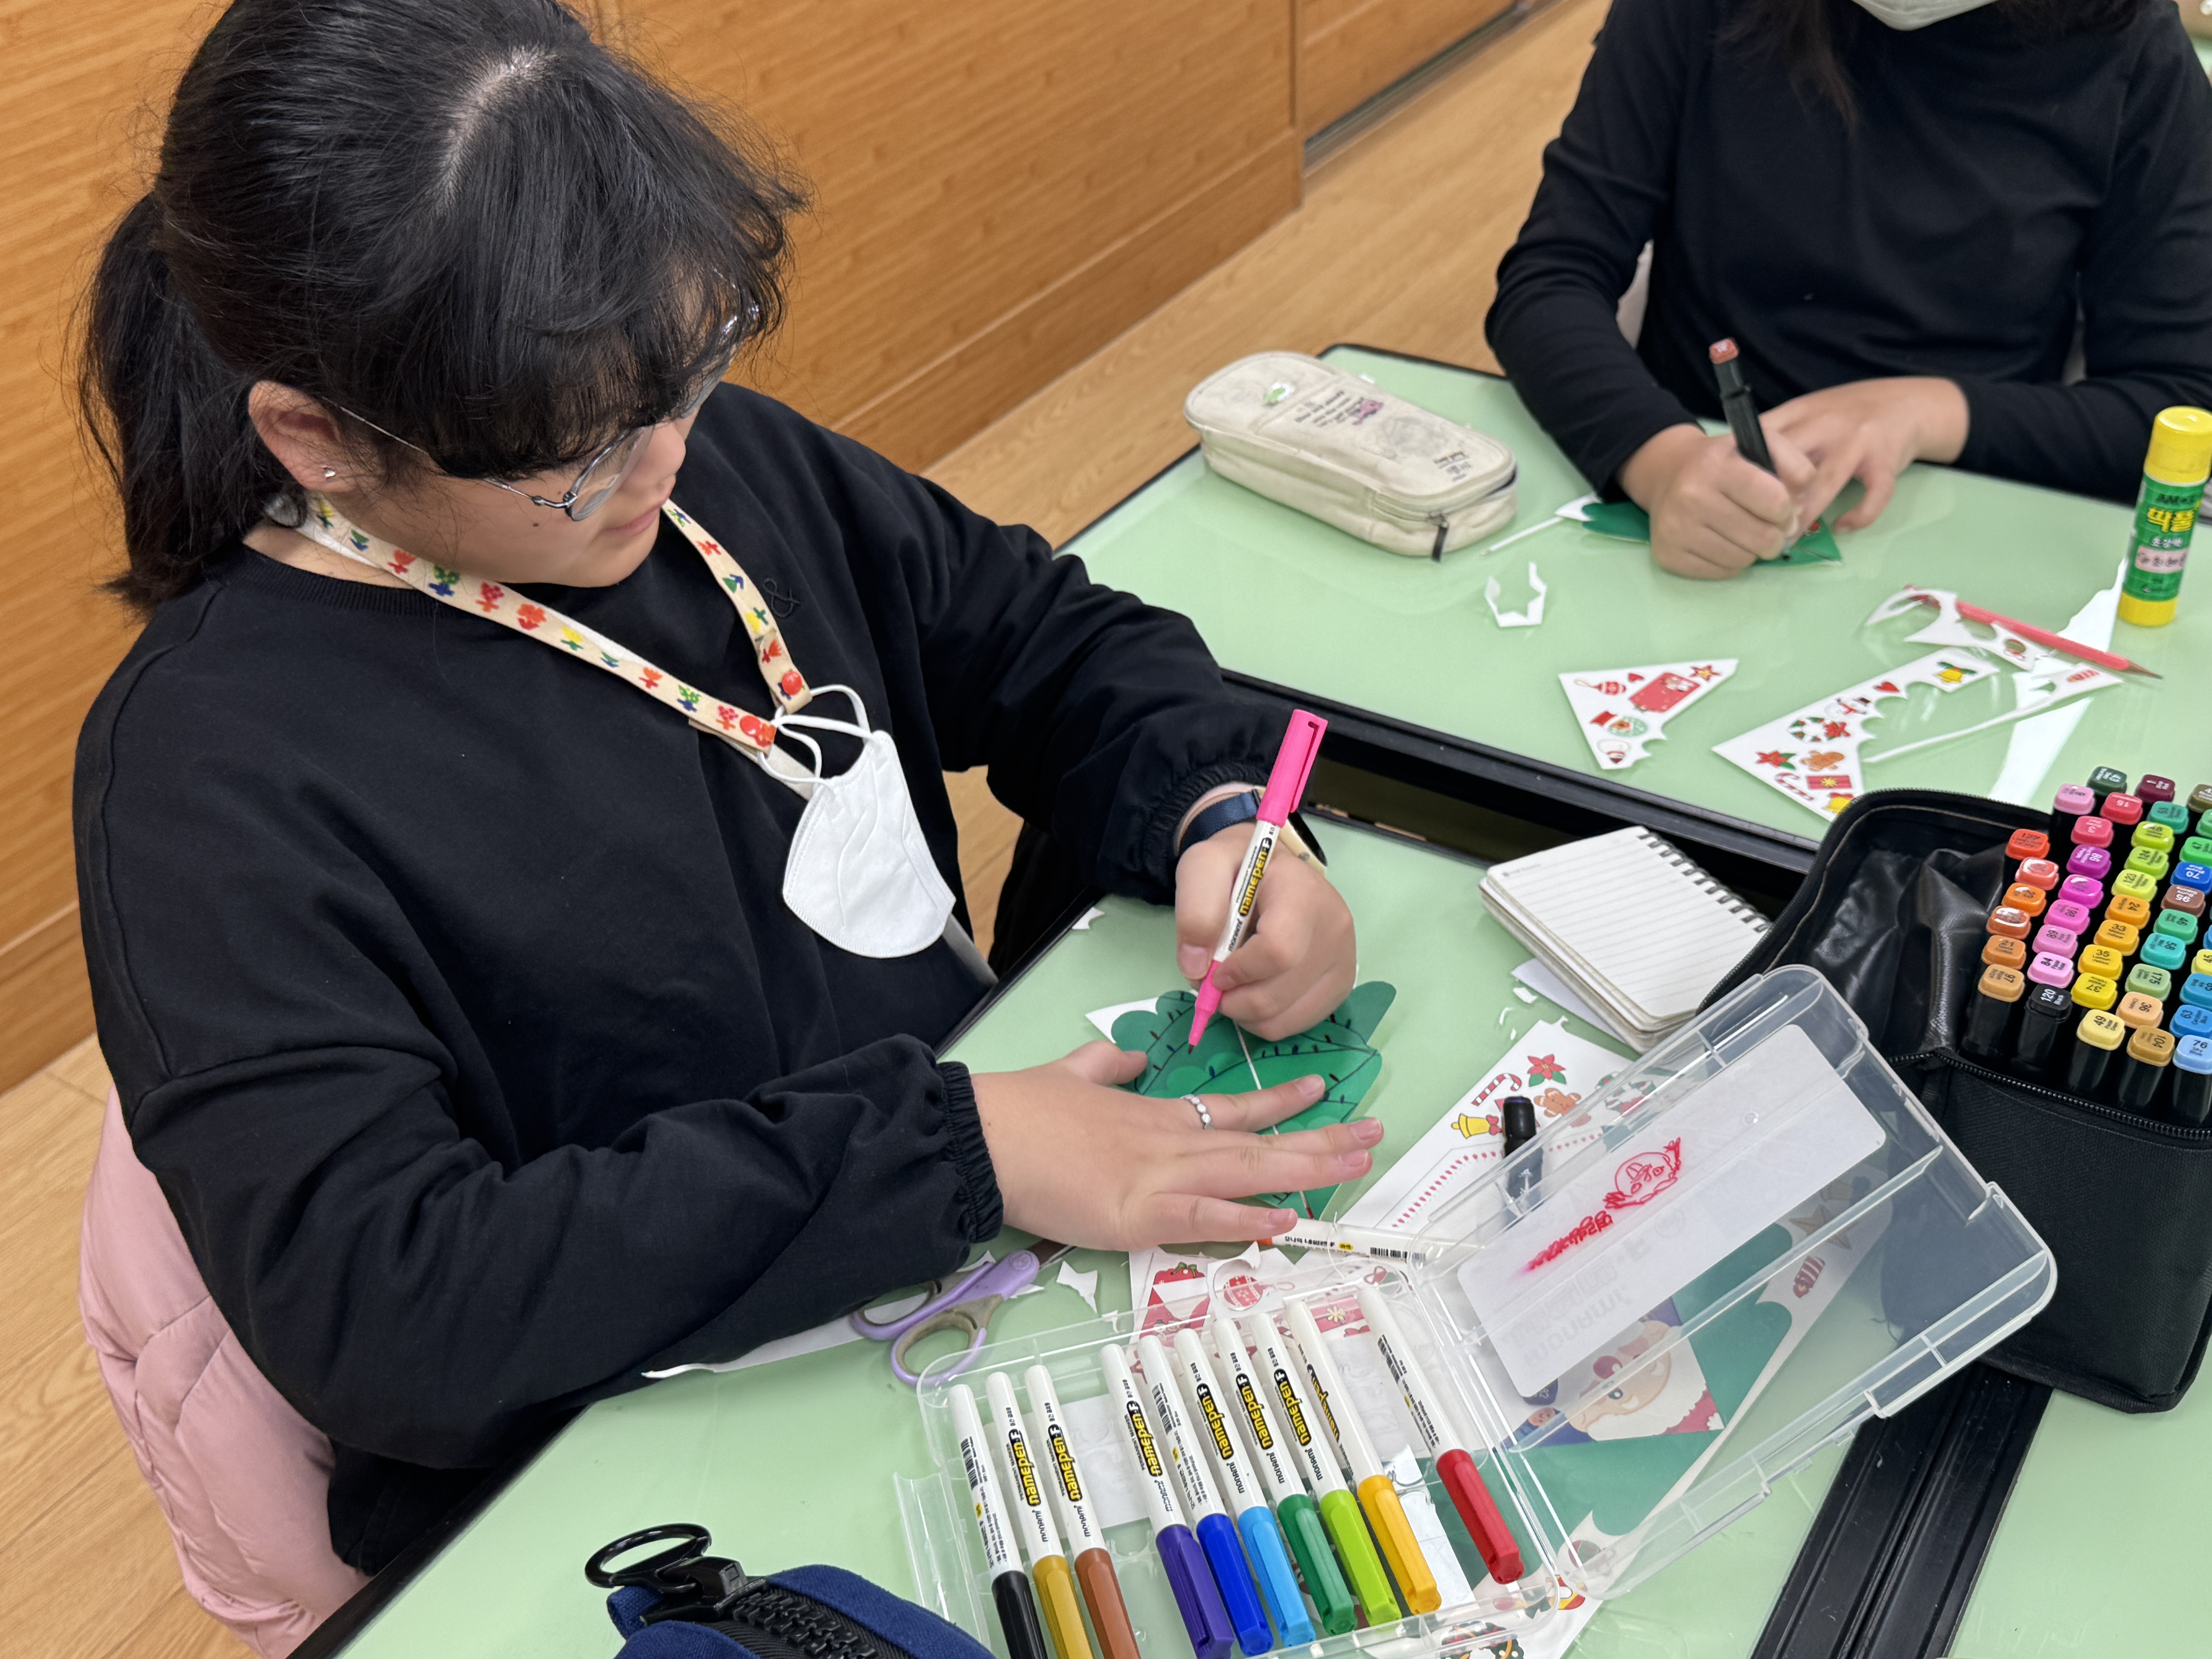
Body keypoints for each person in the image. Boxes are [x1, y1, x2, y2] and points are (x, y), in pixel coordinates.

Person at [75, 0, 1366, 1577]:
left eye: (689, 371)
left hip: (968, 1245)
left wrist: (1221, 813)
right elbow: (395, 1302)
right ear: (318, 437)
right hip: (643, 1452)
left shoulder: (700, 457)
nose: (666, 464)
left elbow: (1052, 638)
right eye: (574, 454)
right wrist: (953, 1151)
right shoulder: (210, 774)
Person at [1486, 0, 2212, 579]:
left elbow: (2178, 399)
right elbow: (1550, 279)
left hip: (1967, 532)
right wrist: (1663, 459)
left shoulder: (2129, 47)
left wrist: (1929, 413)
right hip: (1698, 499)